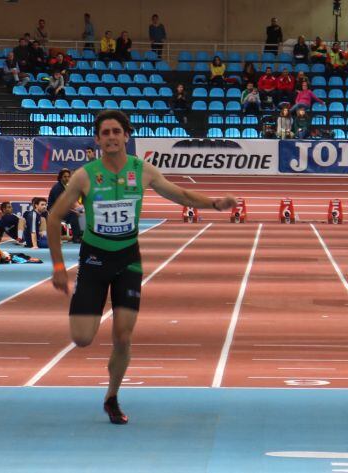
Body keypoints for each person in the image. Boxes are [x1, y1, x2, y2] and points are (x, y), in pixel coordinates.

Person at [47, 110, 236, 425]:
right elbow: (53, 218)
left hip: (128, 259)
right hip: (94, 260)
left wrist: (214, 203)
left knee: (123, 336)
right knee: (82, 339)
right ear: (97, 139)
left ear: (126, 136)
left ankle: (112, 396)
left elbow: (182, 195)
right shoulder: (84, 175)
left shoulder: (143, 171)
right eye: (105, 132)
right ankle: (89, 310)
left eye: (116, 132)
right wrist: (56, 266)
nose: (110, 137)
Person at [48, 168, 82, 243]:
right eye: (65, 177)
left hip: (62, 208)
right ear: (60, 177)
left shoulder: (65, 186)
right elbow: (60, 204)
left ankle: (80, 235)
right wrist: (74, 210)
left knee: (80, 213)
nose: (67, 178)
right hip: (54, 210)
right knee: (74, 215)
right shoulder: (58, 188)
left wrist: (79, 208)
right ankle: (76, 237)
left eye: (68, 176)